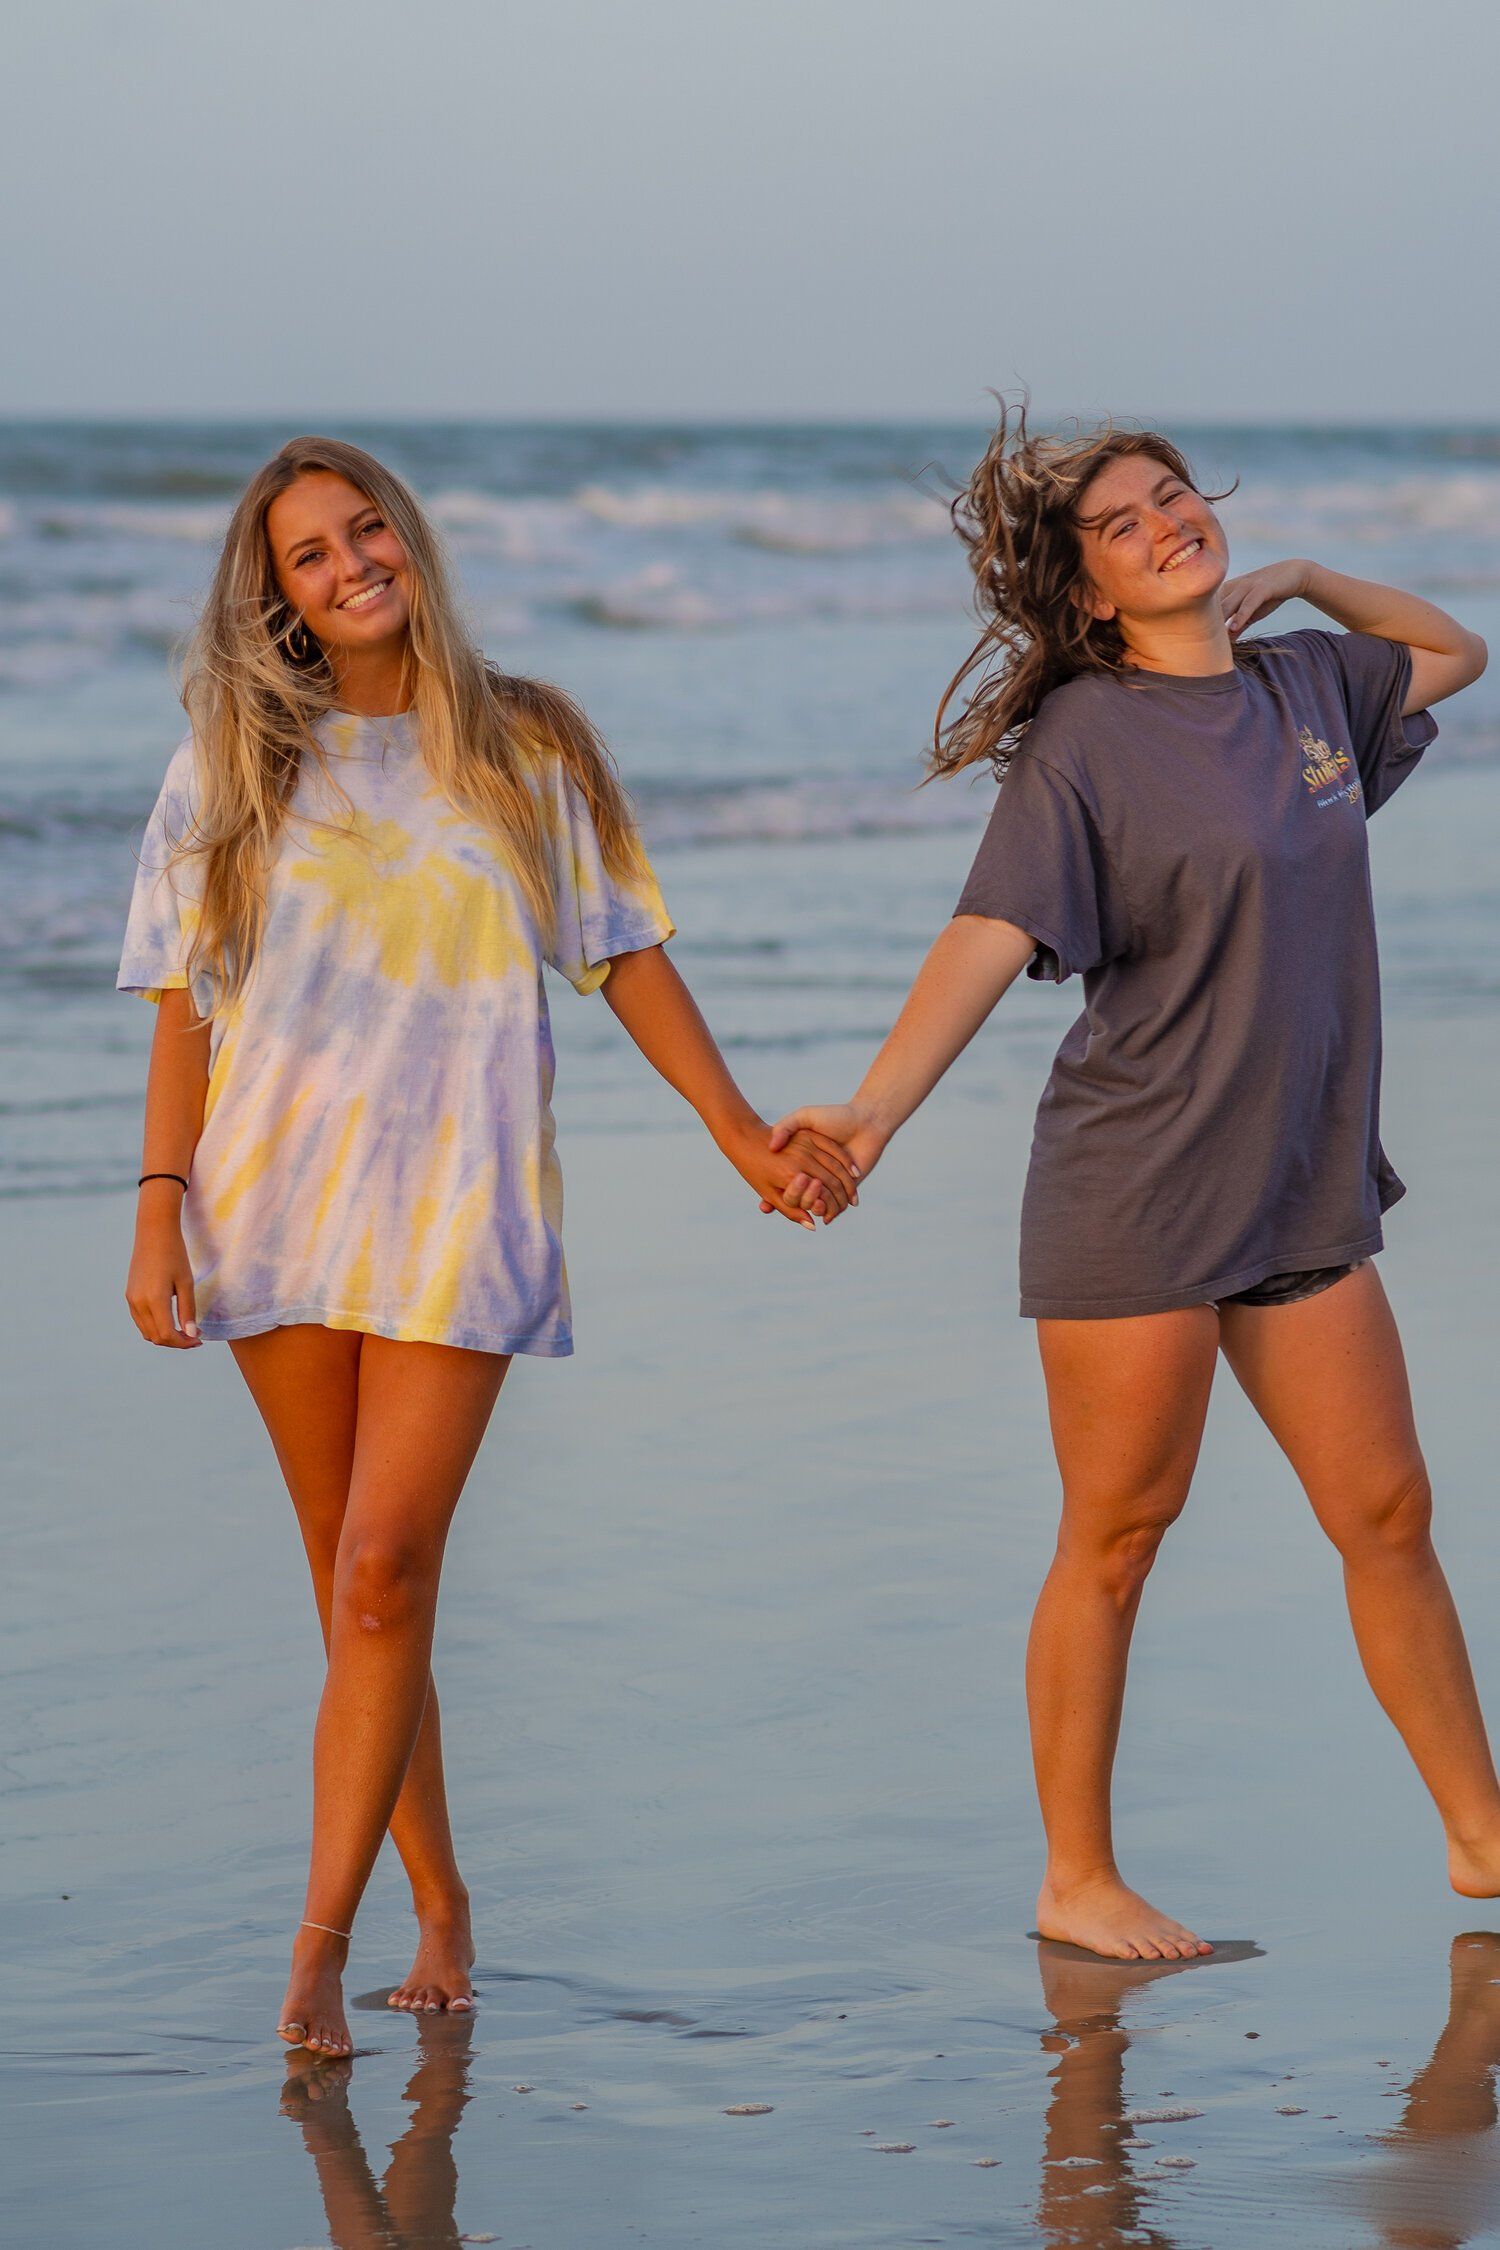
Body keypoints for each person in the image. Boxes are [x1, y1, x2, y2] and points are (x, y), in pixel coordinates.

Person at [118, 436, 858, 2060]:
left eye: (362, 525)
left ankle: (314, 1948)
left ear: (410, 535)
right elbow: (186, 997)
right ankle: (440, 1897)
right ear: (280, 598)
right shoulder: (236, 754)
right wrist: (157, 1200)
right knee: (354, 1588)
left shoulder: (526, 743)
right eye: (307, 554)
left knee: (387, 1567)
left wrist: (739, 1131)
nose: (349, 562)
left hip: (463, 1203)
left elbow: (623, 952)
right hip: (274, 1199)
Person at [770, 399, 1495, 1962]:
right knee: (1118, 1529)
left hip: (1296, 1181)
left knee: (1389, 1509)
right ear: (1090, 589)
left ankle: (1482, 1834)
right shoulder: (1087, 743)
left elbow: (1456, 651)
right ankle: (1076, 1876)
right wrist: (877, 1115)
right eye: (1125, 523)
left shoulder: (1310, 685)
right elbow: (989, 934)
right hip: (1139, 1186)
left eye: (1177, 498)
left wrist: (1302, 573)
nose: (1169, 523)